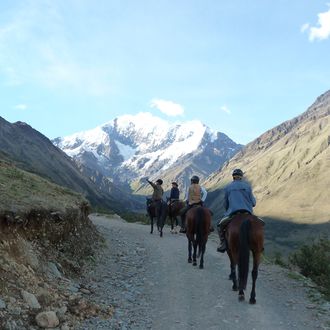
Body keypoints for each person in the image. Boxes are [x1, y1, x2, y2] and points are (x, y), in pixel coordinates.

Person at [217, 168, 256, 253]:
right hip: (247, 213)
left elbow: (226, 203)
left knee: (220, 225)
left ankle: (223, 243)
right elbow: (253, 203)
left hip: (233, 212)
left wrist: (228, 210)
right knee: (257, 226)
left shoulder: (228, 187)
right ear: (241, 177)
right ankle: (257, 244)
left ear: (233, 177)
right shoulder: (247, 186)